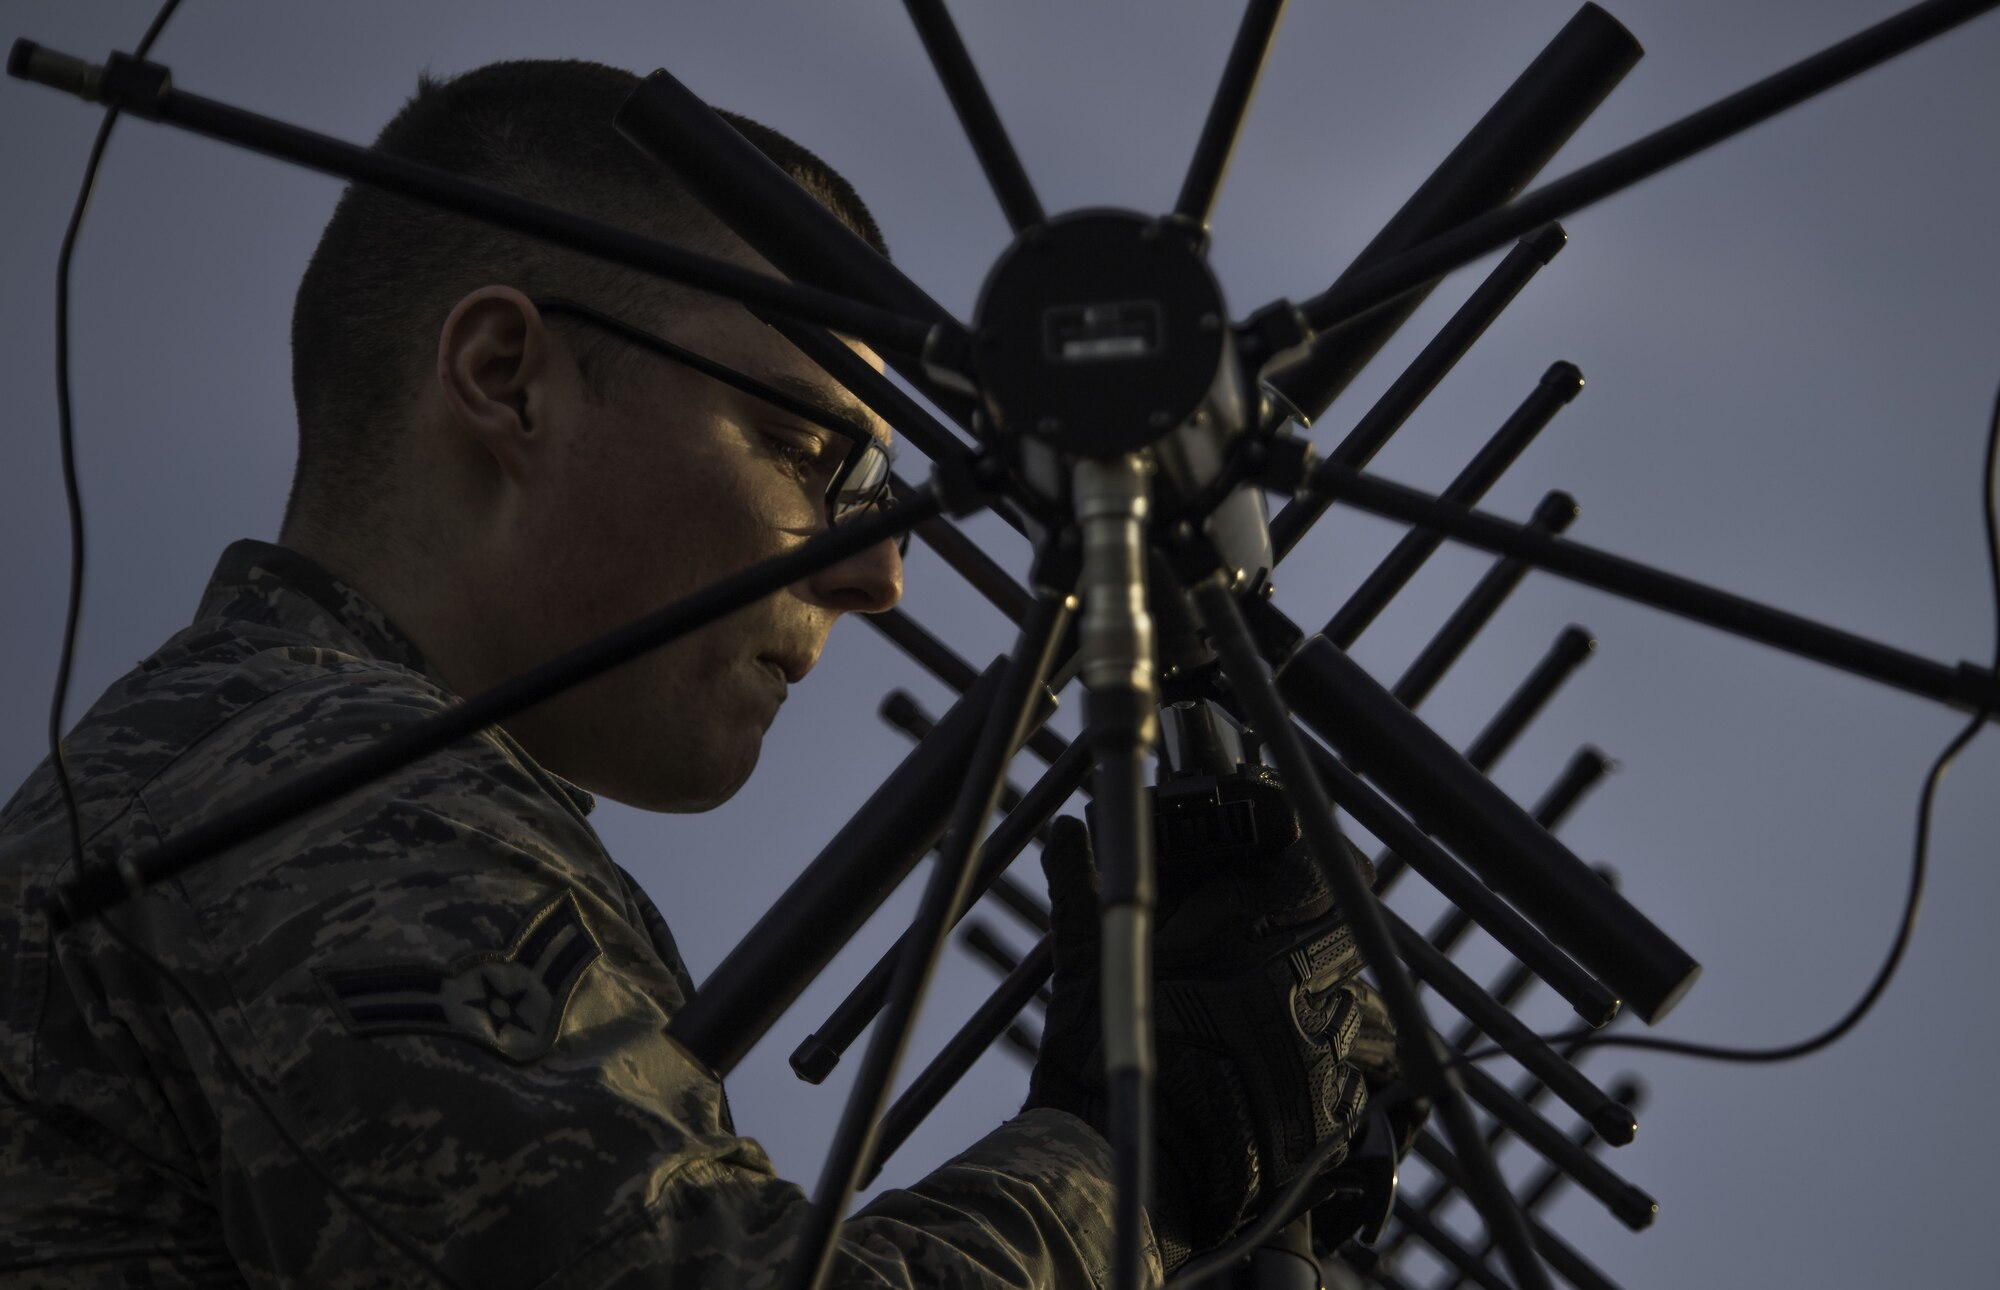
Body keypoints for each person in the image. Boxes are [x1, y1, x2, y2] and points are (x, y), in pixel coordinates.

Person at [0, 58, 1386, 1287]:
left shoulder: (247, 771)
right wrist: (1131, 1169)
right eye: (810, 455)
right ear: (508, 376)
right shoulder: (337, 805)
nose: (876, 572)